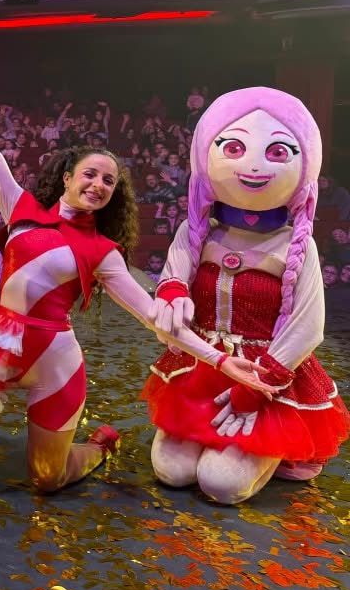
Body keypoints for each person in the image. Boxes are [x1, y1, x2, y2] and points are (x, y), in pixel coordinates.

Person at [0, 69, 273, 496]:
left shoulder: (103, 251)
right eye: (90, 174)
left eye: (109, 181)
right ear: (67, 177)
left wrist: (220, 360)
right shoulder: (20, 207)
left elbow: (153, 317)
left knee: (47, 479)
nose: (99, 185)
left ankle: (101, 446)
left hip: (55, 365)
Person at [142, 88, 349, 503]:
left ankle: (274, 450)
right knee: (173, 472)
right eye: (234, 148)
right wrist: (173, 296)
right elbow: (170, 281)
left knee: (222, 484)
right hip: (201, 365)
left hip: (264, 374)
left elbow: (307, 328)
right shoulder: (195, 232)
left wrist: (256, 387)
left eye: (277, 152)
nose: (254, 165)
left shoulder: (297, 246)